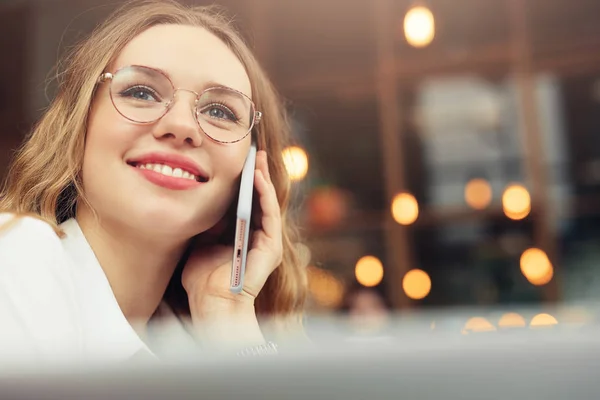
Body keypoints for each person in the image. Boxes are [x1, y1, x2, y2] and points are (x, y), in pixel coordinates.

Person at [0, 0, 307, 365]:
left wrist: (231, 317)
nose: (181, 126)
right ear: (78, 124)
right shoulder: (19, 254)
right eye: (142, 92)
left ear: (253, 173)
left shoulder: (183, 339)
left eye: (219, 111)